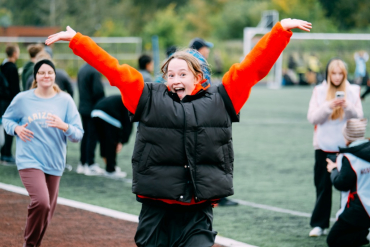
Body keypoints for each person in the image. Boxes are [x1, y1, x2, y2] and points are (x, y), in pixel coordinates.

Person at [46, 18, 311, 246]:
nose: (174, 80)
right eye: (169, 75)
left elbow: (252, 68)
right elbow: (113, 70)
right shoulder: (147, 96)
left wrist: (279, 32)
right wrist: (77, 40)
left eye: (182, 74)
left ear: (198, 77)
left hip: (197, 210)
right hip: (157, 208)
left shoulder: (222, 97)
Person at [2, 59, 83, 247]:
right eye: (42, 73)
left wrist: (64, 126)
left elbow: (77, 134)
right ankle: (29, 244)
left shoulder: (65, 100)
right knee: (41, 202)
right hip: (29, 160)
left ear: (54, 76)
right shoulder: (23, 99)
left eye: (49, 72)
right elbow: (6, 119)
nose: (46, 76)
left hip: (54, 162)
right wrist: (16, 129)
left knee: (47, 213)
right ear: (35, 77)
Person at [307, 58, 364, 237]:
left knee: (348, 189)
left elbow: (359, 117)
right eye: (334, 73)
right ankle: (319, 224)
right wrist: (328, 106)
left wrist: (348, 108)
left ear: (345, 74)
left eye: (341, 73)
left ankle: (346, 224)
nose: (337, 77)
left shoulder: (353, 90)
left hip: (347, 148)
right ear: (328, 74)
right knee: (323, 187)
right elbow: (312, 118)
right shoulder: (319, 91)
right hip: (323, 148)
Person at [326, 118, 370, 247]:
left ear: (347, 136)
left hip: (358, 208)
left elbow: (342, 184)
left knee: (334, 240)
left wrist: (333, 170)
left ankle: (367, 235)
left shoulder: (348, 158)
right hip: (364, 208)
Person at [91, 95, 133, 178]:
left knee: (103, 141)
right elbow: (128, 125)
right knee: (111, 142)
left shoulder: (124, 99)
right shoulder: (130, 104)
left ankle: (110, 167)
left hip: (94, 113)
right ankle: (111, 170)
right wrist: (121, 141)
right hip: (107, 114)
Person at [75, 63, 105, 176]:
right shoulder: (94, 71)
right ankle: (90, 163)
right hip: (92, 108)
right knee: (92, 136)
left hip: (83, 107)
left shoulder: (82, 69)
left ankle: (82, 163)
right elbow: (98, 91)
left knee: (85, 135)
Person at [1, 44, 20, 164]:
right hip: (10, 102)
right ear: (14, 54)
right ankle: (7, 153)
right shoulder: (12, 68)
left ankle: (4, 152)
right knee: (10, 127)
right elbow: (15, 88)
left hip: (2, 101)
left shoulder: (2, 66)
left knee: (4, 126)